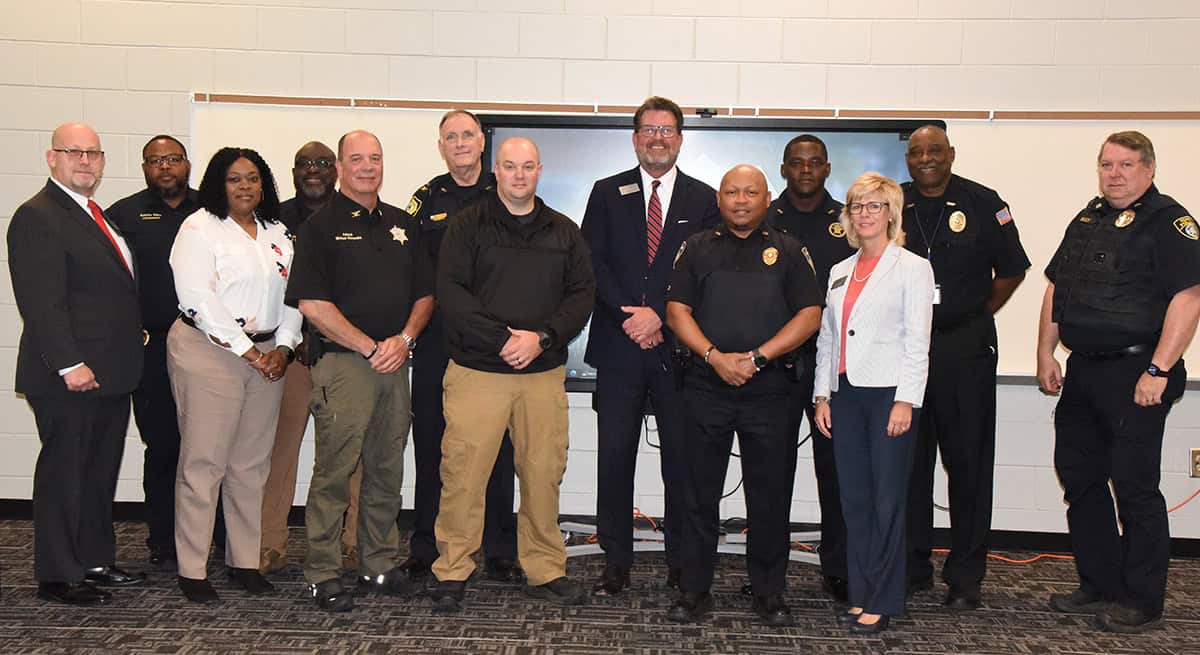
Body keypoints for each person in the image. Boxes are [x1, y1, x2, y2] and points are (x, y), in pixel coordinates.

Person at [1037, 131, 1200, 634]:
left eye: (1126, 165)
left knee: (1134, 486)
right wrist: (1046, 350)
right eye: (1107, 164)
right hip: (1084, 368)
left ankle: (1143, 597)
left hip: (1138, 372)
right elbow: (1056, 287)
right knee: (1079, 478)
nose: (1114, 173)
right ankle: (1100, 583)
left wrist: (1160, 369)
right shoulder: (1087, 219)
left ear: (1148, 169)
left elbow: (1190, 297)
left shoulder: (1169, 221)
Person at [430, 137, 595, 613]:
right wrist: (501, 339)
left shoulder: (563, 231)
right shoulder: (466, 227)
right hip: (477, 371)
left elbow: (582, 294)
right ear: (495, 171)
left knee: (543, 474)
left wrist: (541, 337)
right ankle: (452, 568)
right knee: (463, 475)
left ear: (540, 170)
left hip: (542, 375)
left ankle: (545, 569)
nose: (519, 175)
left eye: (527, 167)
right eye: (509, 166)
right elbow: (451, 291)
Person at [665, 164, 822, 626]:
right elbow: (676, 311)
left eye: (750, 192)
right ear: (719, 199)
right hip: (704, 387)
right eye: (731, 192)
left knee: (770, 496)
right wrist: (714, 357)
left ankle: (769, 592)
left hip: (771, 390)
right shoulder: (696, 248)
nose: (740, 200)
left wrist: (756, 358)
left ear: (767, 198)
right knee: (697, 494)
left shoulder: (790, 250)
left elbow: (810, 314)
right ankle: (694, 591)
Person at [287, 130, 434, 612]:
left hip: (395, 365)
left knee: (387, 472)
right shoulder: (320, 226)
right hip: (346, 366)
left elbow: (425, 295)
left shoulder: (401, 224)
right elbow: (311, 302)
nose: (367, 166)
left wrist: (405, 340)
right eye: (357, 159)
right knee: (334, 474)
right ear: (341, 167)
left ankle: (378, 564)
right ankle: (323, 572)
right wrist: (371, 346)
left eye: (375, 157)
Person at [580, 95, 719, 595]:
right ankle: (616, 559)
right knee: (614, 459)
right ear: (635, 137)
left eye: (667, 130)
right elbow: (591, 264)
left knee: (681, 462)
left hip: (676, 351)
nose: (658, 138)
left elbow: (704, 272)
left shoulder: (704, 199)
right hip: (619, 349)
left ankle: (681, 560)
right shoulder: (605, 192)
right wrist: (631, 317)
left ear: (680, 138)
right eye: (648, 129)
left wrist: (660, 314)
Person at [8, 122, 146, 605]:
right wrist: (70, 364)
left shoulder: (93, 214)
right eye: (74, 152)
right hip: (70, 375)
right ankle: (58, 574)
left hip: (110, 373)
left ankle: (92, 560)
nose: (85, 161)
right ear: (52, 158)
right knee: (65, 474)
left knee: (98, 472)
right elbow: (41, 303)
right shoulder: (38, 215)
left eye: (93, 153)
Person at [901, 125, 1030, 609]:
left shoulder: (982, 201)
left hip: (963, 348)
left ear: (950, 154)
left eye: (934, 150)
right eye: (916, 152)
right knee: (909, 465)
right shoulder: (895, 202)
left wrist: (974, 312)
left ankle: (965, 577)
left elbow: (1012, 270)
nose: (926, 158)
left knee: (968, 465)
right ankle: (913, 568)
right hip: (906, 351)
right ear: (908, 159)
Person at [167, 146, 300, 603]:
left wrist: (284, 346)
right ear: (217, 184)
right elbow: (198, 299)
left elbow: (295, 297)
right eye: (234, 179)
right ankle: (191, 568)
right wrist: (249, 352)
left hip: (268, 355)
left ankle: (245, 561)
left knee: (251, 464)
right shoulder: (199, 228)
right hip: (209, 352)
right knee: (205, 463)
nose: (245, 187)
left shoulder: (277, 232)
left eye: (253, 178)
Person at [813, 172, 935, 635]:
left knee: (887, 500)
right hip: (844, 396)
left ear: (891, 214)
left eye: (874, 206)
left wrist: (907, 401)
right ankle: (863, 591)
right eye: (857, 206)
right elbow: (828, 338)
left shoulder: (912, 267)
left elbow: (917, 342)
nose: (864, 214)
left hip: (889, 396)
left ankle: (884, 598)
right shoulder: (840, 271)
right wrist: (822, 394)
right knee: (855, 500)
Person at [401, 110, 519, 584]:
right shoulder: (425, 199)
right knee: (433, 447)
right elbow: (408, 267)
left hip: (493, 345)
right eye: (451, 136)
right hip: (436, 343)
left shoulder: (506, 194)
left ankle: (498, 549)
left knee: (498, 450)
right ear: (441, 147)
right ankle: (426, 546)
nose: (461, 143)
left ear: (482, 143)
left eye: (468, 134)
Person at [258, 140, 364, 575]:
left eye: (323, 163)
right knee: (279, 455)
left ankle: (352, 543)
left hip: (343, 356)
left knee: (349, 458)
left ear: (336, 169)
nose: (314, 170)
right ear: (294, 170)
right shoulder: (272, 220)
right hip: (291, 359)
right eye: (305, 164)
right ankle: (269, 545)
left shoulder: (357, 216)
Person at [766, 134, 855, 602]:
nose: (805, 170)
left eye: (814, 163)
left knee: (835, 471)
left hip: (833, 364)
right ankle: (769, 574)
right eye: (797, 163)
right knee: (772, 472)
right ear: (784, 168)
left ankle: (837, 568)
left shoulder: (848, 221)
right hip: (779, 363)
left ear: (826, 168)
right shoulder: (764, 218)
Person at [107, 134, 200, 572]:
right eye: (155, 160)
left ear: (187, 163)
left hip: (210, 347)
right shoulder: (123, 215)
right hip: (152, 348)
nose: (165, 167)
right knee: (162, 447)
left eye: (173, 159)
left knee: (207, 448)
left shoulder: (212, 210)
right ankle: (163, 540)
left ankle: (212, 536)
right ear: (145, 168)